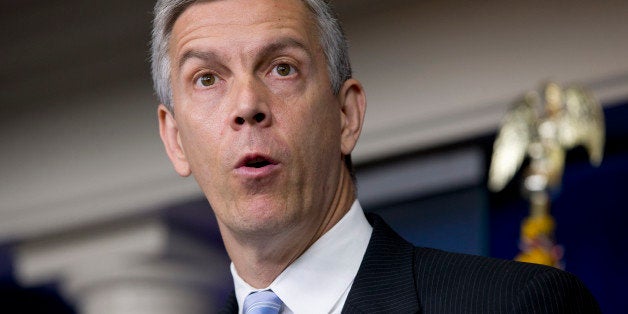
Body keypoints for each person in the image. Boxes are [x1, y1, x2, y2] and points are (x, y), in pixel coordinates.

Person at [151, 0, 601, 312]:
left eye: (282, 68)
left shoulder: (516, 305)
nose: (247, 105)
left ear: (346, 115)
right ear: (174, 139)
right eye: (207, 78)